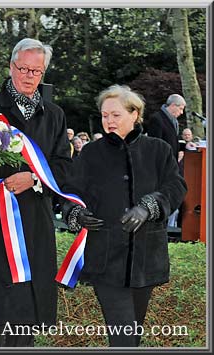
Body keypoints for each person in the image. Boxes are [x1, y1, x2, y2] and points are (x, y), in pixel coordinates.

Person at [0, 38, 72, 347]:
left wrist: (33, 178)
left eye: (37, 71)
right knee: (6, 301)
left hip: (37, 218)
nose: (29, 76)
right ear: (11, 67)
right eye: (23, 68)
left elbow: (63, 166)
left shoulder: (55, 114)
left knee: (33, 301)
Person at [61, 85, 186, 347]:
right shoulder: (91, 153)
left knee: (131, 334)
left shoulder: (159, 150)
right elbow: (71, 191)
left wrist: (148, 206)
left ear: (134, 114)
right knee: (123, 336)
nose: (109, 121)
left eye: (115, 115)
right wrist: (76, 212)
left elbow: (176, 187)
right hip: (105, 258)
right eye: (105, 115)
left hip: (146, 258)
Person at [145, 94, 186, 161]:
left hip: (172, 161)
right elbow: (155, 144)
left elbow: (174, 139)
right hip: (163, 162)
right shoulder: (156, 119)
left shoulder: (174, 120)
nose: (182, 112)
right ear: (173, 105)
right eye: (180, 108)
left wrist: (181, 150)